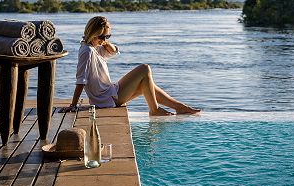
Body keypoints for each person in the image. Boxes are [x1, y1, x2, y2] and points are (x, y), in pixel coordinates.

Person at [63, 16, 201, 116]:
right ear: (93, 34)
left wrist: (105, 42)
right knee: (144, 68)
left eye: (107, 36)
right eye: (102, 37)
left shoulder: (94, 47)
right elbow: (81, 80)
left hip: (109, 93)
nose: (104, 40)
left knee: (146, 85)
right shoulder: (87, 51)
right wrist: (73, 104)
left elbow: (114, 51)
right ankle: (154, 110)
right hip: (105, 99)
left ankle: (179, 107)